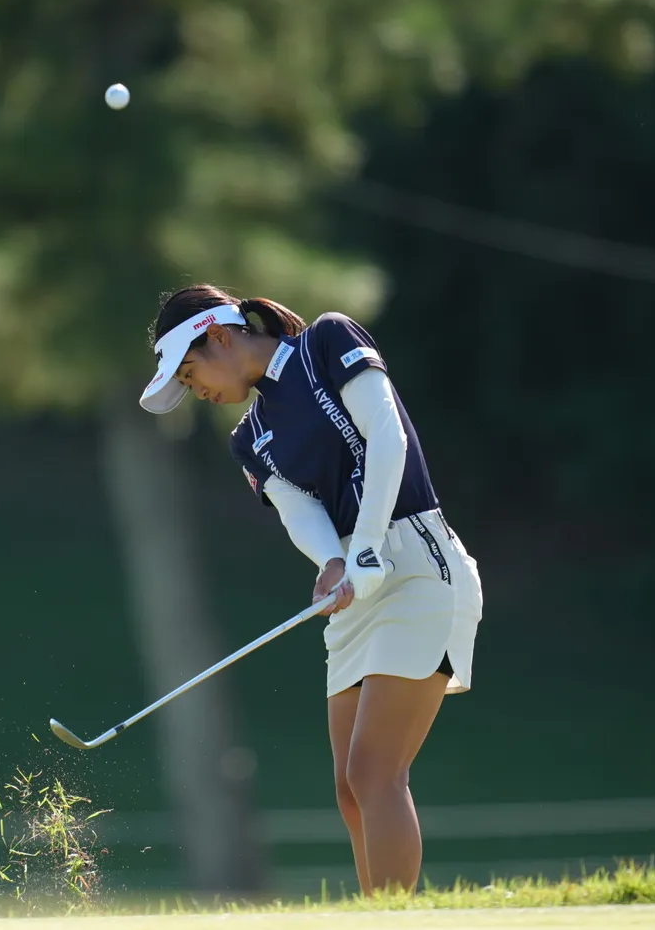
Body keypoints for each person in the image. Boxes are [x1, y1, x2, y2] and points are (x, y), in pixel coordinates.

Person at [139, 283, 483, 896]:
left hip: (415, 563)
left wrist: (367, 543)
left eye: (191, 375)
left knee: (375, 771)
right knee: (350, 789)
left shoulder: (326, 341)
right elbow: (299, 510)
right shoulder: (249, 437)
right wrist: (331, 561)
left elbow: (387, 435)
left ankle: (394, 920)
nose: (197, 392)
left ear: (218, 336)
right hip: (355, 582)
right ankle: (377, 913)